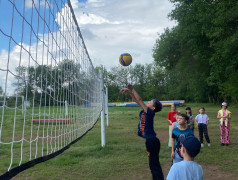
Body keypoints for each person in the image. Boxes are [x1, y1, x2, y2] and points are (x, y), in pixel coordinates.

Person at [120, 84, 164, 180]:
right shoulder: (145, 111)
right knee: (152, 165)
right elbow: (136, 100)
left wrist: (132, 89)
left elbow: (139, 100)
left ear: (153, 108)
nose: (147, 102)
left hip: (152, 141)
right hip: (150, 141)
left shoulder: (150, 112)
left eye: (149, 102)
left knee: (154, 164)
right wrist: (128, 91)